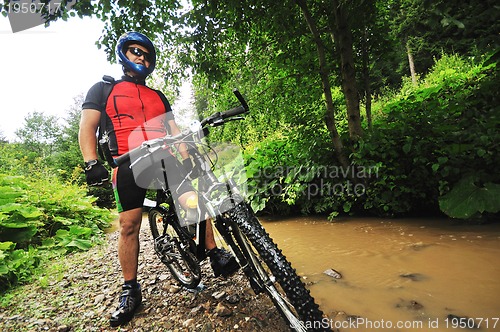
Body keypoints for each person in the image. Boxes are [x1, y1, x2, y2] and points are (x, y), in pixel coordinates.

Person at [78, 31, 239, 327]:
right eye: (135, 51)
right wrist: (91, 163)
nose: (141, 57)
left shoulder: (157, 96)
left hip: (164, 157)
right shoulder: (102, 89)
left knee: (193, 200)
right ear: (123, 55)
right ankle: (130, 289)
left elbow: (174, 130)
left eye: (145, 54)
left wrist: (188, 156)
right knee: (129, 225)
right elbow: (87, 127)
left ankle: (214, 253)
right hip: (126, 162)